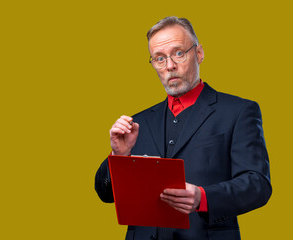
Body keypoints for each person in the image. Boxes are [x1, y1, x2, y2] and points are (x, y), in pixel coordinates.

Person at [95, 16, 272, 240]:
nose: (170, 66)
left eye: (179, 53)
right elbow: (105, 193)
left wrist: (203, 197)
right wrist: (119, 156)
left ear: (199, 53)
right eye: (159, 58)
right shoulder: (136, 123)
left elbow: (258, 185)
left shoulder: (239, 111)